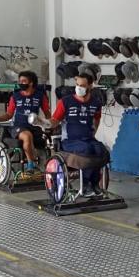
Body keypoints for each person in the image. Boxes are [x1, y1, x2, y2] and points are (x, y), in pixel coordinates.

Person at [49, 69, 106, 197]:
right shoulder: (65, 101)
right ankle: (85, 185)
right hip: (70, 141)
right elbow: (54, 120)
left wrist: (93, 133)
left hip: (88, 139)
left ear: (90, 86)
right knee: (87, 150)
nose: (79, 88)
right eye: (77, 85)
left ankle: (95, 184)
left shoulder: (96, 103)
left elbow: (97, 118)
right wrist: (45, 123)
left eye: (82, 86)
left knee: (101, 150)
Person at [0, 70, 50, 171]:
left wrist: (49, 125)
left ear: (31, 83)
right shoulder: (15, 96)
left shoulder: (40, 96)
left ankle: (44, 165)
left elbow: (47, 113)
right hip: (18, 127)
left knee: (40, 138)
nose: (21, 83)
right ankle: (31, 165)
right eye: (19, 81)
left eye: (23, 81)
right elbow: (8, 115)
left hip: (34, 127)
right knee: (27, 135)